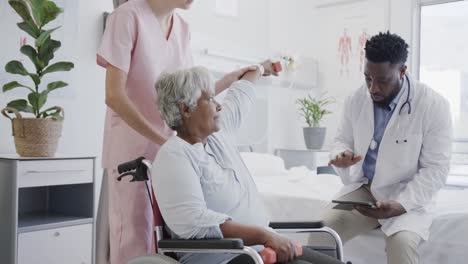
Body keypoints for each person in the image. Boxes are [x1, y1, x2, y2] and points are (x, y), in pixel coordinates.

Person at [95, 1, 273, 263]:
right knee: (133, 239)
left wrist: (233, 78)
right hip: (133, 154)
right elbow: (114, 95)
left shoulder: (182, 28)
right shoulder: (127, 17)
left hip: (173, 150)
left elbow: (190, 92)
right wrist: (163, 141)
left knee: (165, 244)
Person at [153, 66, 344, 264]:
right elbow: (196, 224)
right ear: (186, 109)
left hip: (260, 249)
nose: (218, 105)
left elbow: (241, 94)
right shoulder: (174, 158)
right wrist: (264, 235)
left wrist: (261, 68)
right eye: (209, 99)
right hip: (223, 258)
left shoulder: (219, 135)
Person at [318, 32, 453, 264]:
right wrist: (339, 155)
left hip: (406, 195)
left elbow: (436, 169)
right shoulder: (356, 99)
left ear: (402, 71)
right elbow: (341, 139)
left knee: (401, 245)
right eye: (367, 78)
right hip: (365, 192)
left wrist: (401, 205)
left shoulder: (433, 105)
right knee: (325, 232)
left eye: (382, 80)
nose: (373, 88)